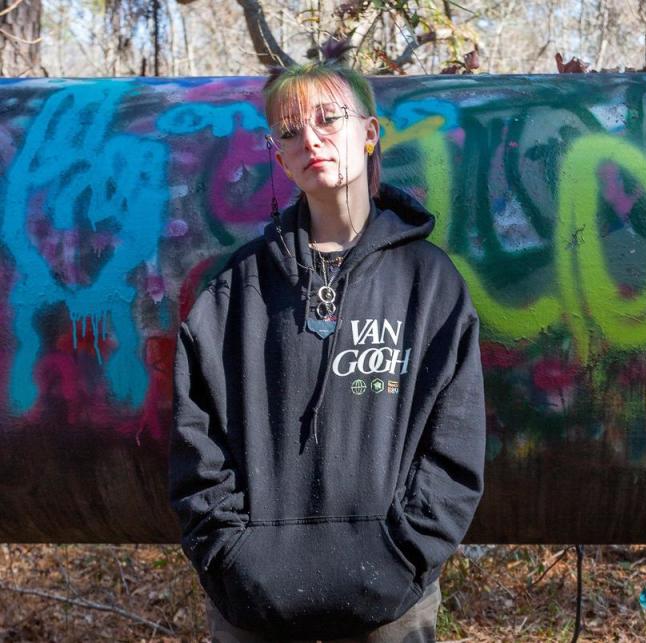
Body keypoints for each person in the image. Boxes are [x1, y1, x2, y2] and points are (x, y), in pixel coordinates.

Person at [167, 57, 486, 642]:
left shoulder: (429, 282)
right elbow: (197, 443)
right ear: (280, 156)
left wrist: (401, 557)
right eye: (289, 132)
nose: (309, 138)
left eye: (328, 118)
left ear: (368, 133)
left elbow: (454, 447)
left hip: (389, 603)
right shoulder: (235, 290)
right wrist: (234, 561)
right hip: (252, 604)